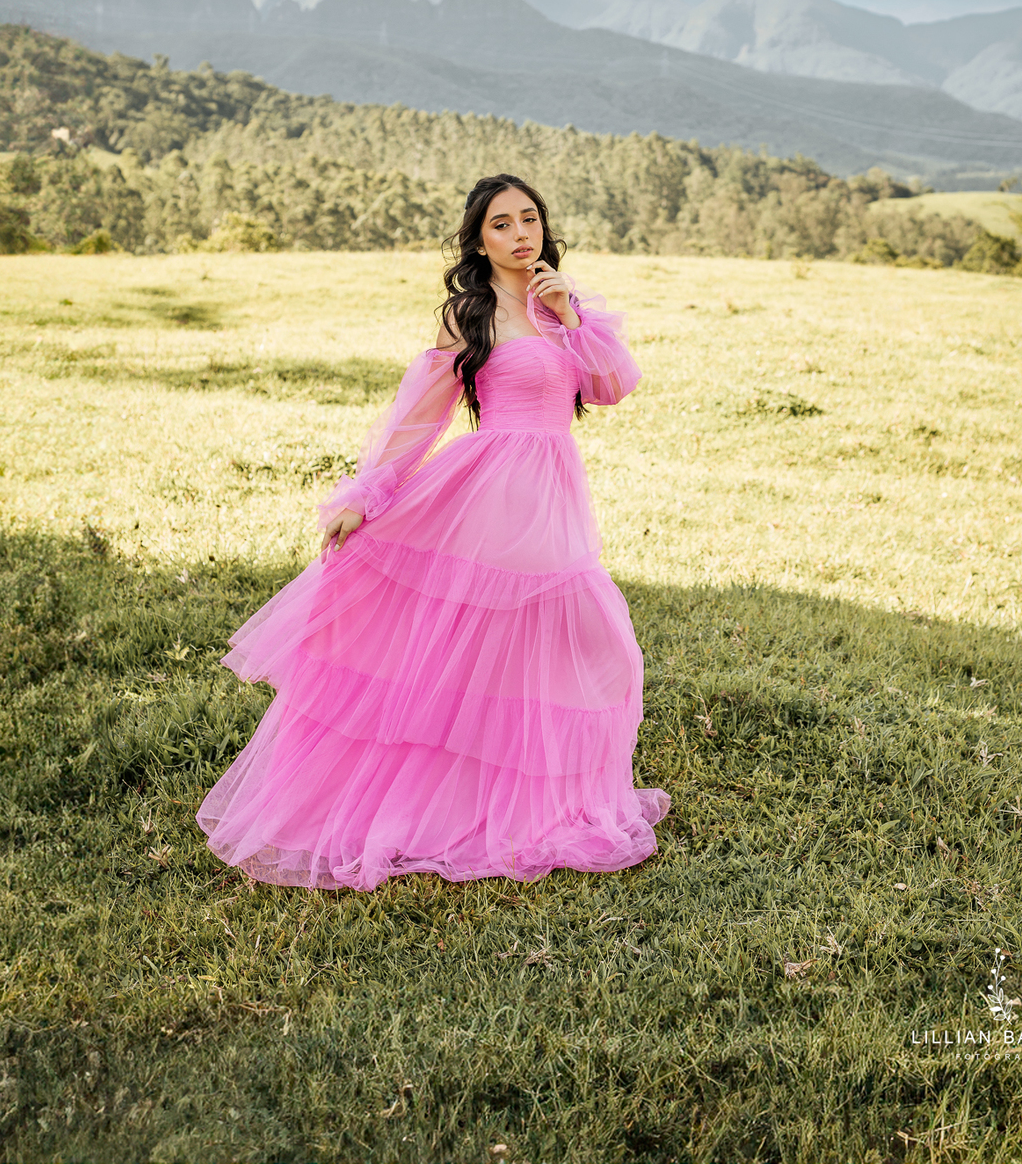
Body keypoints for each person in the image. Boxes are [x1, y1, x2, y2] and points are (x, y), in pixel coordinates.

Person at [196, 173, 669, 889]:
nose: (521, 234)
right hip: (489, 494)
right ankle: (450, 800)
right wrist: (367, 493)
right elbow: (422, 413)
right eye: (503, 224)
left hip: (551, 492)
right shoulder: (470, 315)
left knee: (584, 647)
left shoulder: (563, 307)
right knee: (506, 643)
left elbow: (613, 385)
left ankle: (538, 798)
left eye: (530, 220)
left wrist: (570, 314)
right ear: (479, 240)